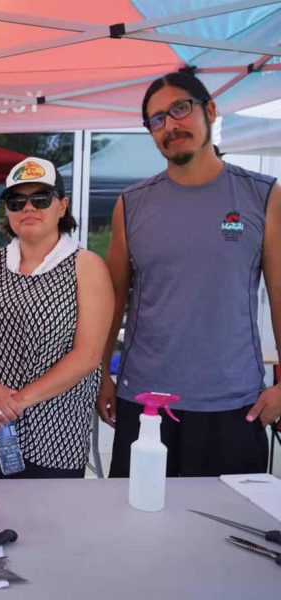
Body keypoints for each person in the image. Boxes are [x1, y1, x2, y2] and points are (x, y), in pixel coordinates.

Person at [98, 71, 281, 477]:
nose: (171, 125)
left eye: (181, 109)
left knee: (225, 535)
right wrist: (100, 375)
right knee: (140, 531)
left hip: (233, 404)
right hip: (145, 402)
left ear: (210, 111)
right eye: (157, 119)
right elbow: (111, 300)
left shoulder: (262, 195)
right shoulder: (131, 205)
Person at [0, 157, 113, 478]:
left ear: (62, 206)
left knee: (49, 522)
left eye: (41, 198)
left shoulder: (86, 266)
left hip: (54, 433)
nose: (28, 207)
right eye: (16, 201)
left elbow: (87, 355)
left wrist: (14, 403)